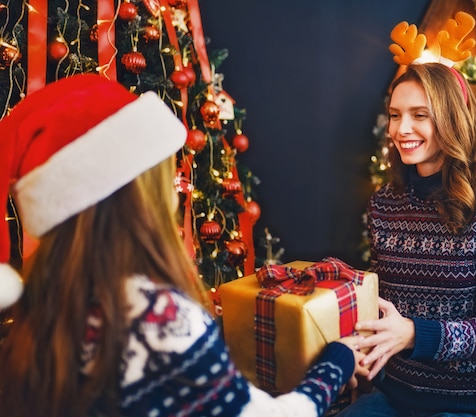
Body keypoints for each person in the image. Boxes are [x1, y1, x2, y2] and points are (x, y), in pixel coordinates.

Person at [0, 74, 367, 417]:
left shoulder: (42, 303)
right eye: (164, 177)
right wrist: (336, 362)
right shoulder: (154, 318)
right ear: (138, 196)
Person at [339, 63, 476, 417]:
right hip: (396, 394)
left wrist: (413, 334)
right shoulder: (384, 203)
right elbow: (381, 299)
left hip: (475, 400)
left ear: (453, 119)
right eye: (395, 115)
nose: (401, 129)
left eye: (420, 115)